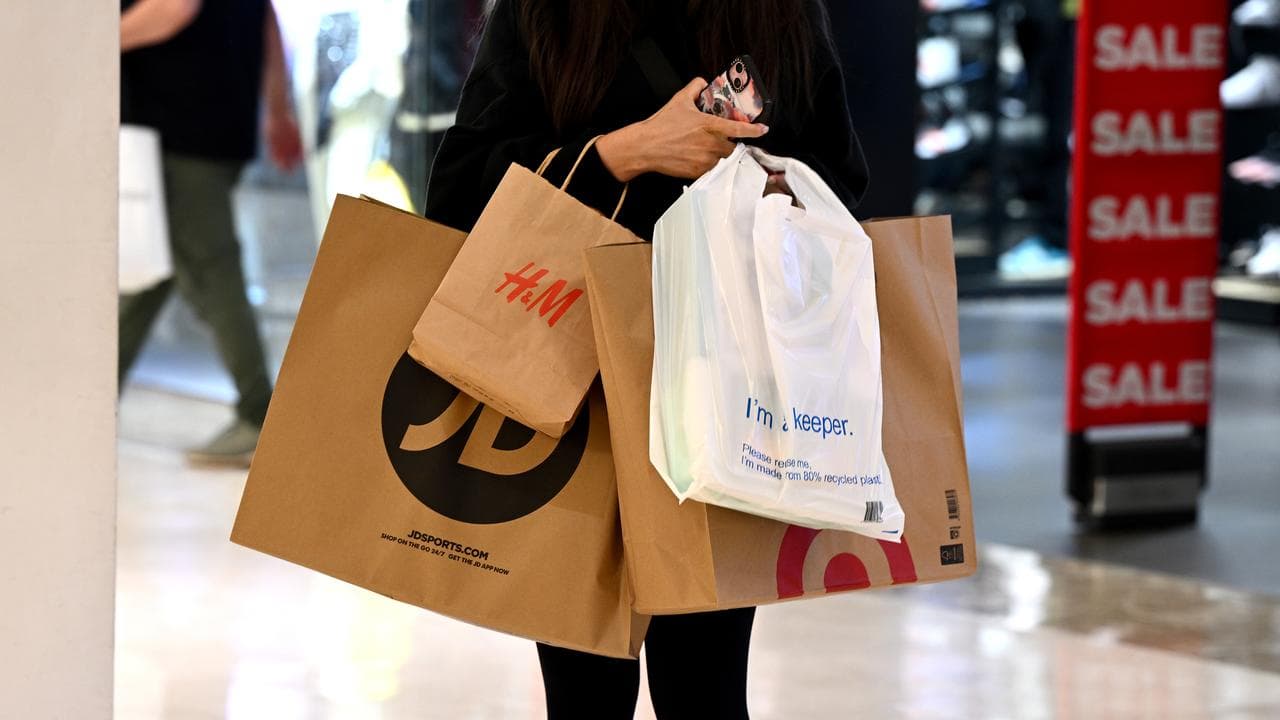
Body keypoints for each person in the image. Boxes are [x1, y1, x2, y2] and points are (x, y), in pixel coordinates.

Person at [422, 1, 869, 717]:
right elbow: (458, 189)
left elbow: (840, 181)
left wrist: (764, 185)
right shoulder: (547, 12)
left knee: (706, 686)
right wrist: (624, 152)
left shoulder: (779, 11)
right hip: (569, 382)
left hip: (725, 385)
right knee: (584, 688)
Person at [119, 0, 302, 465]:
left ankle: (259, 415)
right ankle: (86, 401)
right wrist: (277, 108)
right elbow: (267, 21)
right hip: (210, 125)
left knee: (214, 270)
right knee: (151, 275)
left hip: (181, 131)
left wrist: (89, 46)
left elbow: (173, 7)